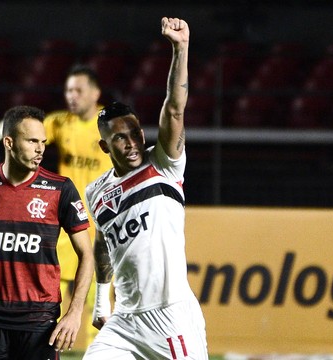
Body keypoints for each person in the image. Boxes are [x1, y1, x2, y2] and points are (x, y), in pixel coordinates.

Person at [83, 17, 208, 359]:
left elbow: (174, 108)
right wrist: (100, 299)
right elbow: (103, 242)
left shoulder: (164, 165)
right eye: (119, 138)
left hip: (172, 317)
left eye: (135, 133)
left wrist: (180, 49)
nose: (131, 143)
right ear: (105, 147)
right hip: (124, 321)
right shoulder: (97, 192)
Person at [0, 105, 94, 360]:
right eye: (32, 141)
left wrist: (74, 312)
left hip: (40, 320)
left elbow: (87, 255)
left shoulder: (61, 189)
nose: (40, 149)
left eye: (44, 142)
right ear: (9, 142)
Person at [43, 64, 113, 347]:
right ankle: (48, 340)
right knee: (56, 278)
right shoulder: (60, 122)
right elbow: (27, 135)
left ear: (95, 93)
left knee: (101, 282)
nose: (72, 96)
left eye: (78, 90)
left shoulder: (110, 122)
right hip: (68, 215)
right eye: (68, 90)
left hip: (103, 216)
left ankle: (102, 345)